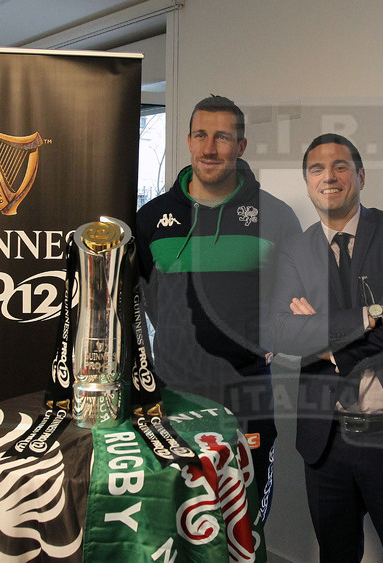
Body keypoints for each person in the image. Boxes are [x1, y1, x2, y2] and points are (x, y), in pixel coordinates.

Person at [270, 133, 383, 562]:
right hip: (326, 439)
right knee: (335, 554)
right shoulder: (296, 250)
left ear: (360, 176)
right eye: (316, 169)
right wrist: (374, 315)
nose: (328, 176)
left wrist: (323, 339)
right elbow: (279, 333)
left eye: (340, 166)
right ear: (307, 182)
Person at [136, 95, 302, 522]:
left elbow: (296, 297)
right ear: (189, 142)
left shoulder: (276, 217)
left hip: (247, 393)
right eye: (201, 135)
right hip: (172, 391)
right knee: (179, 512)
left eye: (223, 137)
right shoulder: (151, 219)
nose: (210, 148)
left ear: (240, 146)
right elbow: (140, 300)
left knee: (243, 516)